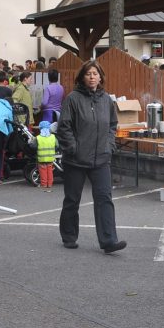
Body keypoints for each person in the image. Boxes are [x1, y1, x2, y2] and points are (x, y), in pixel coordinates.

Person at [55, 61, 126, 254]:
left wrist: (109, 145)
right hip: (76, 159)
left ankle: (109, 240)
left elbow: (112, 125)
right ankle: (69, 236)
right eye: (88, 74)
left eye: (95, 74)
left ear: (101, 77)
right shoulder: (73, 99)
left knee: (104, 198)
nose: (92, 77)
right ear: (82, 77)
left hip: (101, 158)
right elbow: (64, 127)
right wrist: (73, 148)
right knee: (72, 199)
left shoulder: (106, 100)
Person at [36, 121, 57, 190]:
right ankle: (50, 184)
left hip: (42, 158)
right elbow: (57, 146)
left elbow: (33, 146)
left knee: (43, 171)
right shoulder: (53, 137)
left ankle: (44, 184)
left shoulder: (38, 137)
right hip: (51, 157)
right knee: (50, 171)